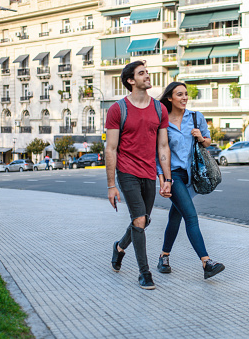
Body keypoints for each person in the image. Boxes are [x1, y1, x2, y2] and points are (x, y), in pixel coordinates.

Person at [105, 60, 172, 290]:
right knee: (140, 220)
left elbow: (163, 146)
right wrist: (111, 185)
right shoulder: (118, 109)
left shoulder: (159, 109)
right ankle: (145, 274)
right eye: (141, 73)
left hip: (148, 172)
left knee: (142, 221)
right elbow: (111, 149)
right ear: (130, 81)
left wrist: (167, 178)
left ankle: (119, 247)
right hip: (127, 171)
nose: (147, 75)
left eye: (147, 72)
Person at [155, 82, 225, 279]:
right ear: (170, 98)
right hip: (173, 174)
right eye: (180, 94)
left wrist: (201, 138)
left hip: (191, 174)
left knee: (175, 216)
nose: (185, 98)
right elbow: (159, 152)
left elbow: (208, 141)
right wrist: (163, 179)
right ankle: (206, 262)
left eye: (186, 94)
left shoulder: (195, 117)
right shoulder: (162, 122)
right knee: (191, 216)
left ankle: (164, 256)